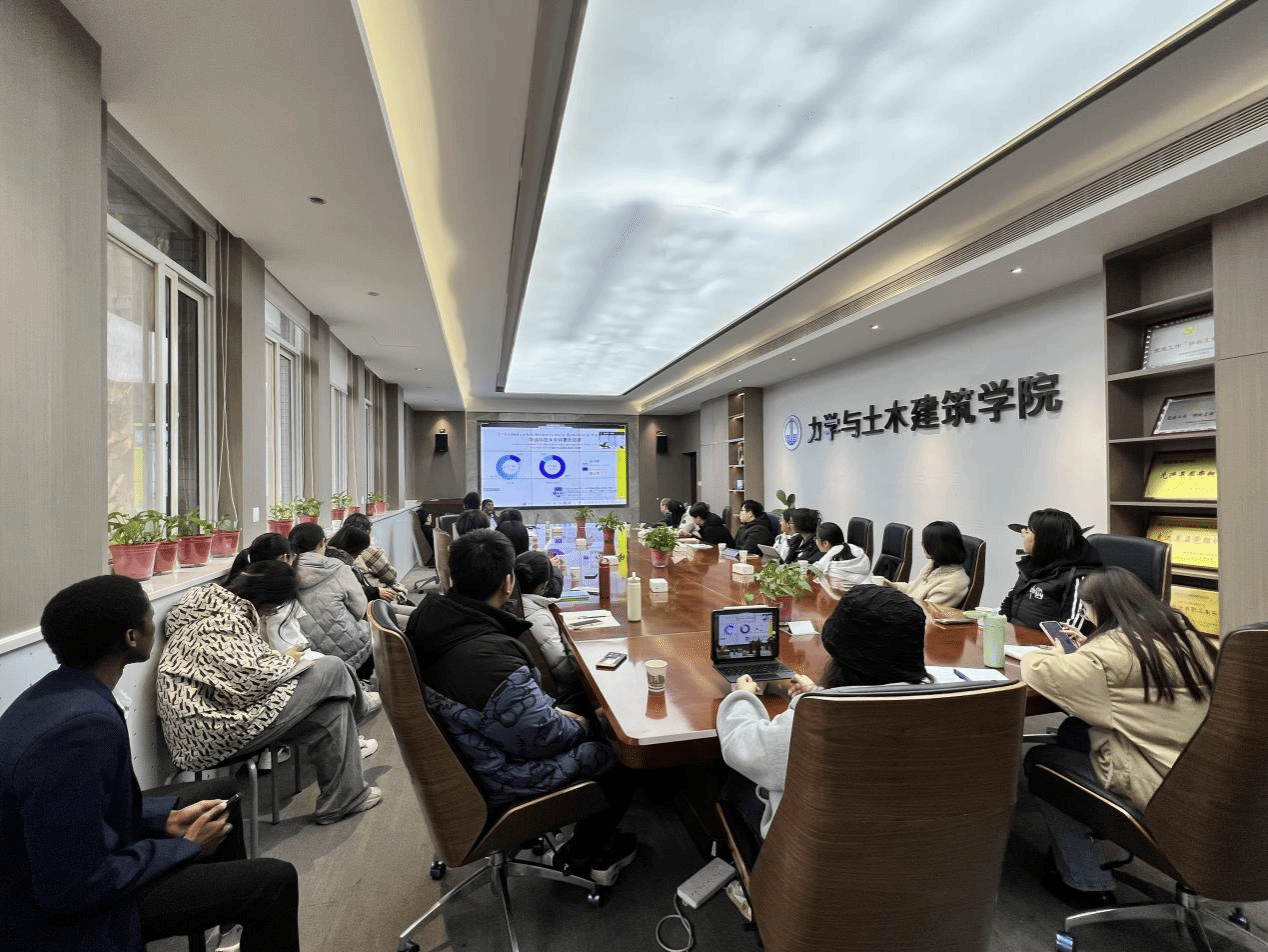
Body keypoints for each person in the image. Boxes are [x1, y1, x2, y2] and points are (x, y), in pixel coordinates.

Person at [0, 576, 300, 951]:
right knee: (275, 881)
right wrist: (185, 847)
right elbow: (73, 886)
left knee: (221, 796)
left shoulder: (59, 692)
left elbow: (85, 812)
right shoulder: (80, 731)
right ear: (131, 636)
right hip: (65, 919)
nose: (154, 623)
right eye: (149, 614)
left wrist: (164, 820)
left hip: (79, 868)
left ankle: (226, 932)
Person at [405, 529, 637, 885]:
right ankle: (584, 854)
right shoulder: (488, 658)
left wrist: (560, 714)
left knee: (581, 705)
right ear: (508, 582)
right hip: (499, 777)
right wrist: (587, 724)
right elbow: (542, 738)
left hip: (464, 754)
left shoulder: (431, 617)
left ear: (452, 575)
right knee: (618, 751)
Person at [1021, 567, 1218, 907]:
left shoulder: (1109, 657)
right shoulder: (1188, 638)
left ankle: (1084, 882)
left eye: (1087, 609)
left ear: (1100, 608)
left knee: (1042, 761)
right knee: (1072, 732)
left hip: (1163, 788)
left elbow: (1039, 671)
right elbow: (1128, 670)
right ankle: (1090, 825)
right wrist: (1091, 648)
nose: (1086, 616)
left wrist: (1061, 650)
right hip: (1212, 778)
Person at [157, 561, 384, 826]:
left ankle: (343, 800)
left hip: (216, 719)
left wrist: (285, 662)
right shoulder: (223, 621)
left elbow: (241, 671)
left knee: (334, 709)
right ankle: (362, 704)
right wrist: (288, 662)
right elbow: (251, 681)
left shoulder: (213, 608)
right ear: (268, 601)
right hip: (211, 733)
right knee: (333, 668)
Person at [716, 586, 928, 846]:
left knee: (732, 783)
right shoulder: (939, 710)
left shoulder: (818, 718)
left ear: (838, 653)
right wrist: (818, 692)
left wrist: (743, 696)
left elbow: (741, 747)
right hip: (908, 850)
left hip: (809, 857)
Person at [288, 522, 373, 676]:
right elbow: (360, 609)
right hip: (348, 647)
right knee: (371, 633)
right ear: (322, 542)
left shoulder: (285, 572)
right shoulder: (338, 567)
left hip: (304, 653)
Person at [1000, 509, 1102, 629]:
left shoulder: (1080, 577)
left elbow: (1076, 631)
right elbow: (1008, 604)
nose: (1024, 535)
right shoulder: (1033, 565)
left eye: (1027, 531)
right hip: (1017, 637)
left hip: (1047, 641)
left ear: (1045, 540)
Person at [514, 551, 582, 701]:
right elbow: (564, 670)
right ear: (544, 585)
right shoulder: (538, 618)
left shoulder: (519, 605)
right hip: (564, 695)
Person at [878, 520, 970, 607]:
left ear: (936, 547)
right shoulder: (933, 565)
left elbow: (925, 610)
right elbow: (913, 589)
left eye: (925, 542)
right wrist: (893, 586)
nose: (923, 545)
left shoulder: (953, 583)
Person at [342, 512, 408, 598]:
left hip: (364, 593)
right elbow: (390, 576)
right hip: (377, 593)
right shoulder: (367, 549)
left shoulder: (340, 547)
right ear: (367, 530)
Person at [811, 521, 871, 586]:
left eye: (816, 538)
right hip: (866, 587)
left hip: (843, 590)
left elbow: (815, 570)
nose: (815, 541)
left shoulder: (832, 559)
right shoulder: (856, 550)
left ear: (825, 543)